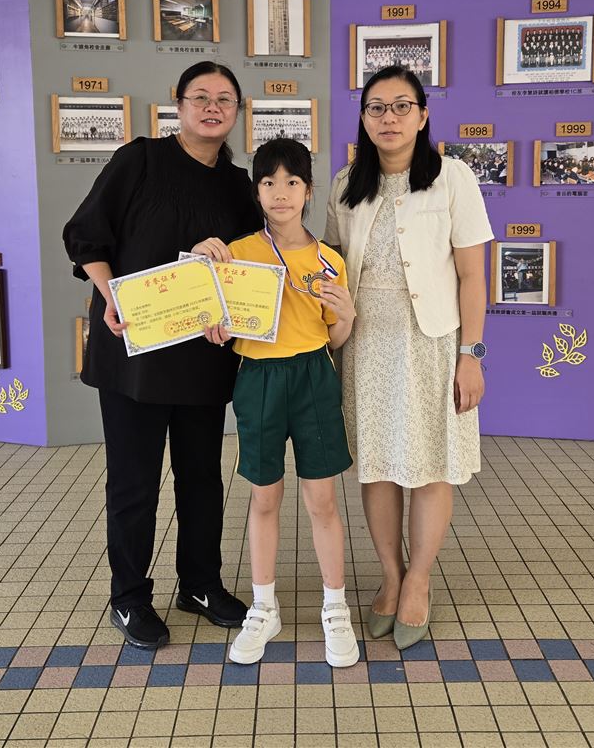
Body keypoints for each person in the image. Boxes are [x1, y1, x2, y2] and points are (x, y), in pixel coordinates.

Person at [63, 61, 261, 650]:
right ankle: (129, 596)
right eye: (201, 96)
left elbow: (248, 270)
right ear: (179, 104)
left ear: (237, 111)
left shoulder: (239, 186)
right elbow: (85, 235)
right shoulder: (140, 160)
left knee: (202, 479)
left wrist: (234, 310)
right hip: (135, 353)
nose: (212, 107)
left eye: (224, 99)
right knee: (134, 482)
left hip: (204, 357)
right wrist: (110, 296)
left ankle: (199, 585)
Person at [325, 66, 493, 650]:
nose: (389, 118)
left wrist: (471, 355)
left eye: (401, 106)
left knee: (429, 463)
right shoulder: (346, 183)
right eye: (376, 107)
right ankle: (390, 576)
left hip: (433, 342)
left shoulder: (453, 178)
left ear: (423, 116)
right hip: (365, 342)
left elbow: (473, 277)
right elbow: (328, 269)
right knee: (376, 464)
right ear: (363, 118)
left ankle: (419, 578)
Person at [198, 138, 359, 668]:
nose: (281, 192)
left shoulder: (328, 259)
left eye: (292, 182)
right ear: (257, 191)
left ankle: (335, 607)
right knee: (264, 498)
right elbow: (209, 315)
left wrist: (345, 314)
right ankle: (264, 607)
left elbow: (334, 339)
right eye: (269, 182)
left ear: (309, 191)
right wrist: (202, 269)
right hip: (258, 379)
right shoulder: (237, 253)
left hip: (314, 376)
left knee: (322, 501)